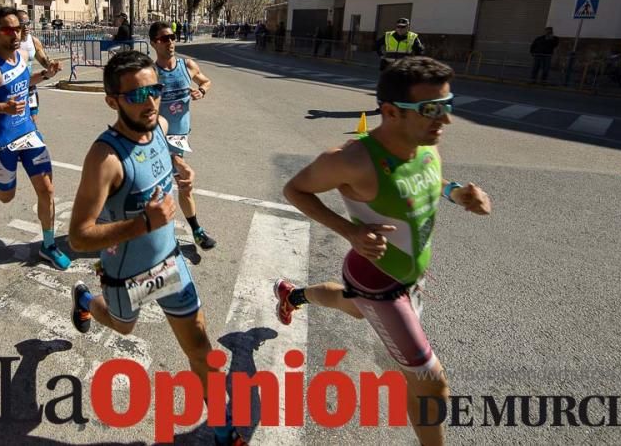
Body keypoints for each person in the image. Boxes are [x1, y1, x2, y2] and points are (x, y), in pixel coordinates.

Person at [274, 56, 492, 446]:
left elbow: (429, 180)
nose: (445, 120)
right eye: (431, 110)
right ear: (390, 112)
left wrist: (456, 192)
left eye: (448, 106)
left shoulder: (424, 144)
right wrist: (349, 231)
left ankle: (294, 295)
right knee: (431, 384)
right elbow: (295, 190)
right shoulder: (352, 160)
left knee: (352, 306)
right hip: (381, 284)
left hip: (404, 280)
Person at [67, 50, 245, 446]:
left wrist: (181, 169)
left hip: (170, 266)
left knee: (202, 350)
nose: (148, 101)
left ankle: (223, 429)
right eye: (134, 96)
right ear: (112, 100)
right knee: (121, 325)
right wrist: (143, 223)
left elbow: (160, 154)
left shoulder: (159, 126)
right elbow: (78, 236)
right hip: (124, 276)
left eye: (154, 90)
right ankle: (85, 300)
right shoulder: (106, 158)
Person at [0, 6, 66, 269]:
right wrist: (1, 107)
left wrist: (46, 75)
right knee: (7, 197)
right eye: (8, 29)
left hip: (28, 132)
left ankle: (48, 246)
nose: (15, 34)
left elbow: (23, 83)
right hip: (2, 138)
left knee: (47, 190)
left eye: (18, 28)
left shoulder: (23, 53)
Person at [149, 21, 216, 250]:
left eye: (172, 37)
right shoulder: (151, 73)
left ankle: (190, 232)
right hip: (159, 140)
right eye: (164, 39)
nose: (170, 42)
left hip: (181, 139)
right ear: (153, 43)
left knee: (178, 186)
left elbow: (206, 81)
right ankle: (188, 234)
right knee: (181, 181)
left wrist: (202, 91)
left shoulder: (187, 66)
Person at [18, 10, 62, 124]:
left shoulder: (33, 41)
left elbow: (44, 60)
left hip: (30, 84)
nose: (26, 27)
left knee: (33, 119)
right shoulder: (10, 43)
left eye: (28, 23)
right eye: (22, 24)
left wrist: (52, 65)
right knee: (17, 121)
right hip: (15, 86)